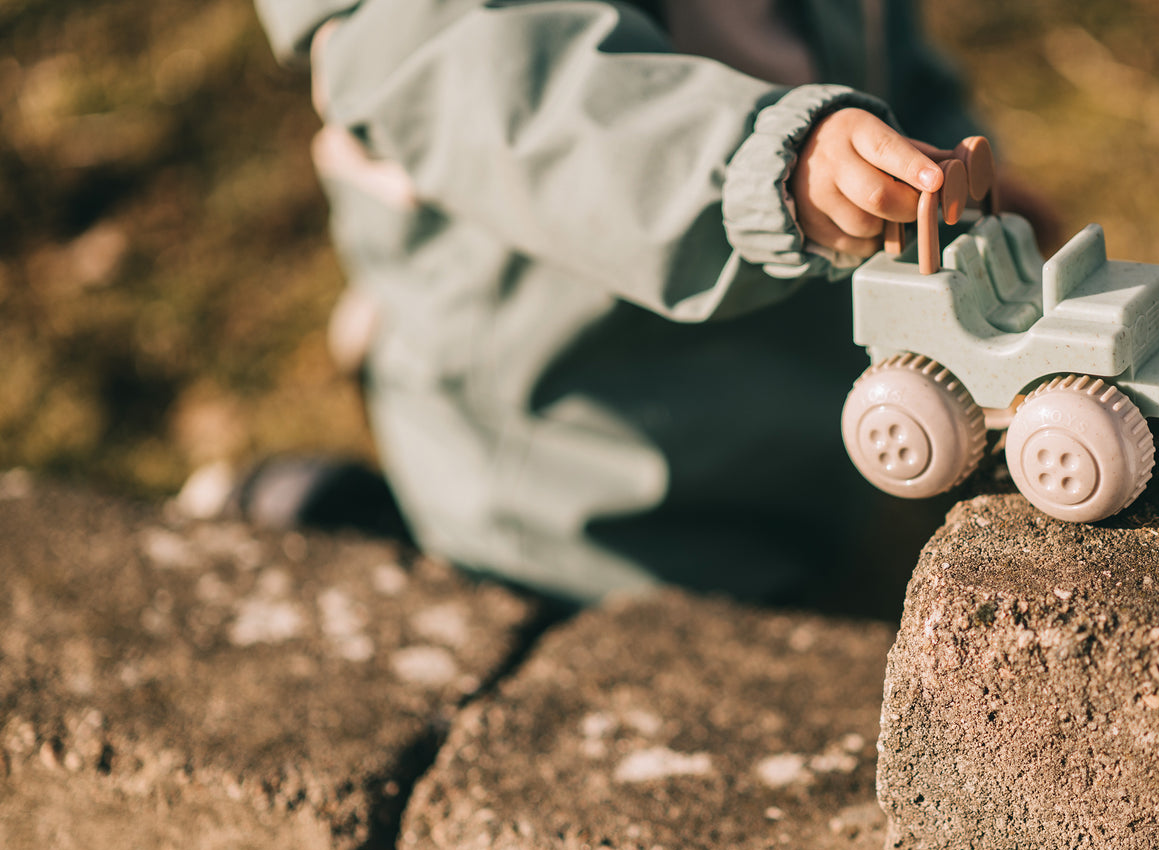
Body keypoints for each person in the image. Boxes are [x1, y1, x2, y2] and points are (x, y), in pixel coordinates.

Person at [250, 0, 1055, 608]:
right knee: (631, 630)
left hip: (809, 366)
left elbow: (870, 35)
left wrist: (938, 155)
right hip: (576, 424)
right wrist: (760, 164)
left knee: (832, 540)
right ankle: (365, 535)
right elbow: (492, 81)